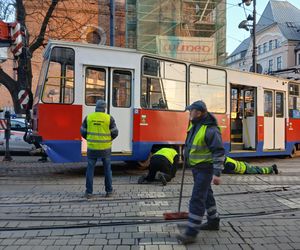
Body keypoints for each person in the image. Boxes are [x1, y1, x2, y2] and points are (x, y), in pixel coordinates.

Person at [176, 100, 225, 245]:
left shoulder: (211, 130)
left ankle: (191, 233)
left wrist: (217, 173)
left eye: (192, 111)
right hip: (197, 168)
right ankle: (213, 220)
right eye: (189, 111)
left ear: (200, 113)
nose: (189, 114)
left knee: (197, 199)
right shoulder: (195, 125)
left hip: (205, 168)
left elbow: (218, 152)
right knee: (207, 194)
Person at [80, 99, 118, 199]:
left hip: (92, 148)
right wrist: (108, 139)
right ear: (104, 108)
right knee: (107, 170)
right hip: (105, 148)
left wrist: (90, 139)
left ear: (96, 107)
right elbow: (115, 132)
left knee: (90, 170)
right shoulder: (109, 118)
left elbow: (83, 131)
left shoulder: (89, 117)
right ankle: (109, 192)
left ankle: (89, 193)